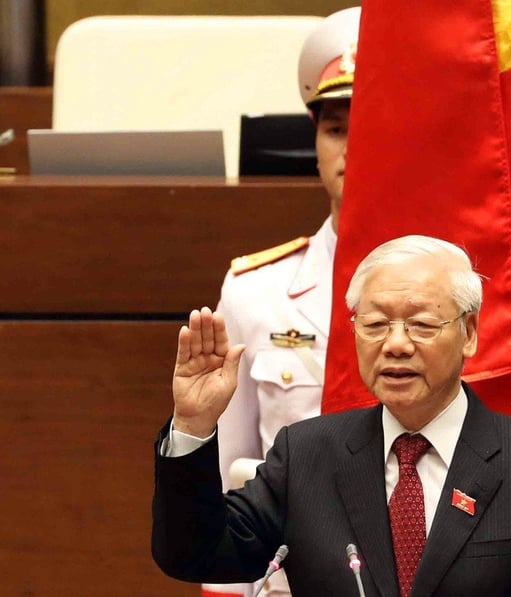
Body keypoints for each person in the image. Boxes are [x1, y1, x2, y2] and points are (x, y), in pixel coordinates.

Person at [153, 235, 511, 596]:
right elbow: (195, 553)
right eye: (374, 324)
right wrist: (193, 425)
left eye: (420, 324)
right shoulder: (306, 455)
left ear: (471, 333)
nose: (395, 344)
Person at [205, 9, 359, 596]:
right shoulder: (256, 290)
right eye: (336, 128)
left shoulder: (461, 290)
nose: (350, 147)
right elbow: (228, 480)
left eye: (371, 125)